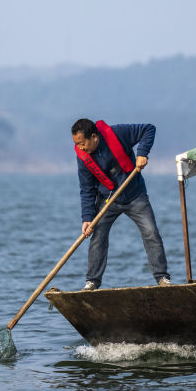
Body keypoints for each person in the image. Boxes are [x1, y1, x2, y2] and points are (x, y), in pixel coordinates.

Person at [72, 118, 172, 290]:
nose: (80, 148)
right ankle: (92, 282)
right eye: (77, 144)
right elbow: (86, 189)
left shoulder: (117, 134)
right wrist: (87, 218)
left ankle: (162, 278)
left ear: (94, 137)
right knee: (98, 237)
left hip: (135, 195)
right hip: (107, 200)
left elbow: (148, 129)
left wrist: (142, 153)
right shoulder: (82, 158)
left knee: (151, 232)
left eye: (82, 143)